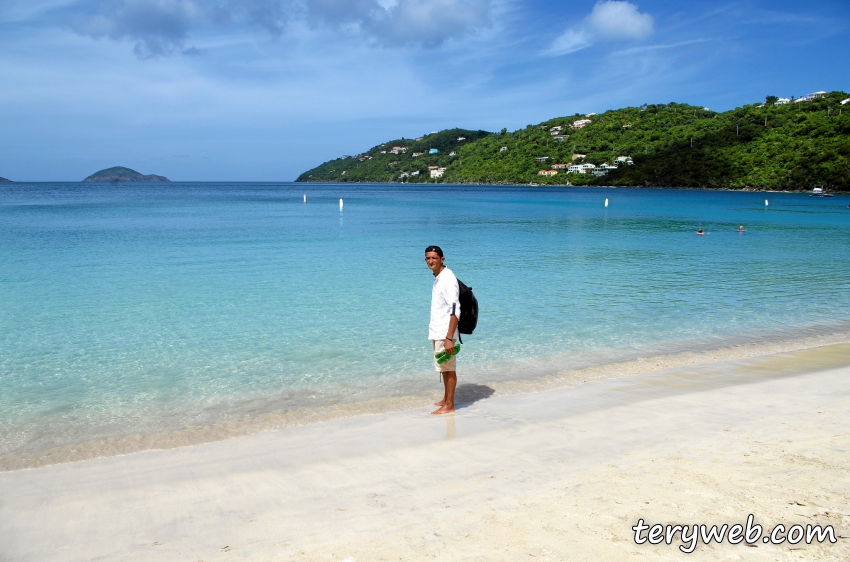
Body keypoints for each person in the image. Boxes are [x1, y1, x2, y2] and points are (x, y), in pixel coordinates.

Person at [425, 245, 460, 416]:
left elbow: (455, 310)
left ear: (442, 259)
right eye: (428, 258)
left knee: (448, 367)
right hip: (439, 331)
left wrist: (448, 338)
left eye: (434, 258)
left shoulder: (447, 278)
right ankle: (446, 399)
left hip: (445, 332)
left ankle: (450, 405)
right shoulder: (439, 277)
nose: (431, 261)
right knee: (444, 367)